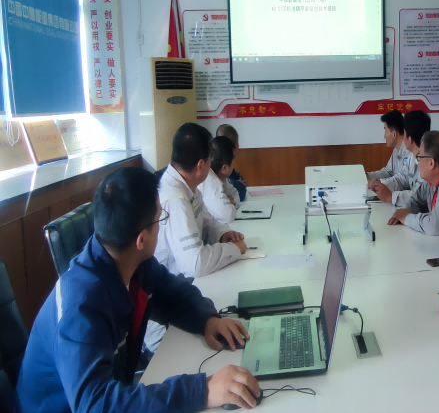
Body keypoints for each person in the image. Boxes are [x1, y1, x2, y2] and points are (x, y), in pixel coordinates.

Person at [14, 168, 261, 412]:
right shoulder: (80, 306)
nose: (162, 226)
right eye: (160, 219)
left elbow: (173, 294)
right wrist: (203, 391)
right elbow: (96, 404)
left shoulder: (131, 261)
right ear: (141, 239)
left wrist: (207, 319)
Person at [147, 123, 246, 351]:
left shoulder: (186, 186)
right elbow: (195, 264)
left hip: (186, 295)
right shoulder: (174, 199)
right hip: (166, 321)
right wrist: (234, 249)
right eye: (210, 161)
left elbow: (207, 222)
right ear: (201, 165)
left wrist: (224, 235)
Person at [388, 130, 439, 236]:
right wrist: (403, 212)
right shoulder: (432, 179)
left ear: (431, 163)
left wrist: (406, 217)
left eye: (420, 157)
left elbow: (434, 226)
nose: (418, 161)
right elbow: (416, 200)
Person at [371, 110, 430, 204]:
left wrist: (391, 197)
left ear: (410, 139)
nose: (403, 138)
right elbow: (400, 179)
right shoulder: (413, 157)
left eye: (404, 133)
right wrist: (378, 185)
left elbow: (419, 196)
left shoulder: (427, 163)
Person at [366, 110, 413, 189]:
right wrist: (368, 176)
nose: (384, 136)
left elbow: (400, 181)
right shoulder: (396, 150)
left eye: (385, 131)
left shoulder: (410, 152)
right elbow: (387, 172)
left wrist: (374, 184)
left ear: (394, 134)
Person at [198, 136, 238, 224]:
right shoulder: (211, 182)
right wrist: (229, 202)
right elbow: (227, 216)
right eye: (234, 158)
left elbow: (236, 197)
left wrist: (229, 203)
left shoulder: (222, 177)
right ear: (224, 167)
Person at [216, 124, 247, 203]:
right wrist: (241, 184)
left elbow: (238, 178)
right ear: (236, 146)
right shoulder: (223, 168)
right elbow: (241, 193)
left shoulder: (227, 167)